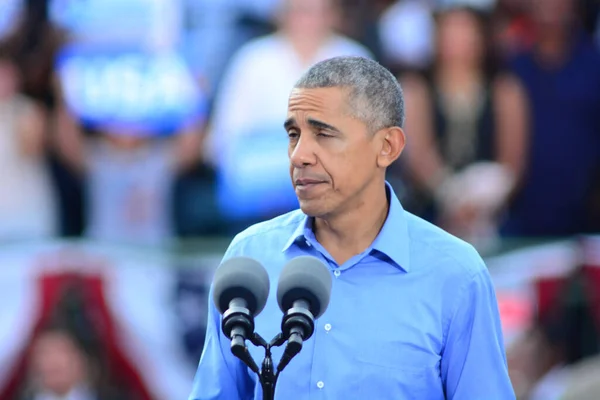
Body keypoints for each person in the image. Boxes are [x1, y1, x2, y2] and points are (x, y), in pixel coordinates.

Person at [190, 56, 514, 399]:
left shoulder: (456, 275)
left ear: (387, 146)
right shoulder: (249, 259)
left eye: (323, 134)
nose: (299, 155)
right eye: (293, 134)